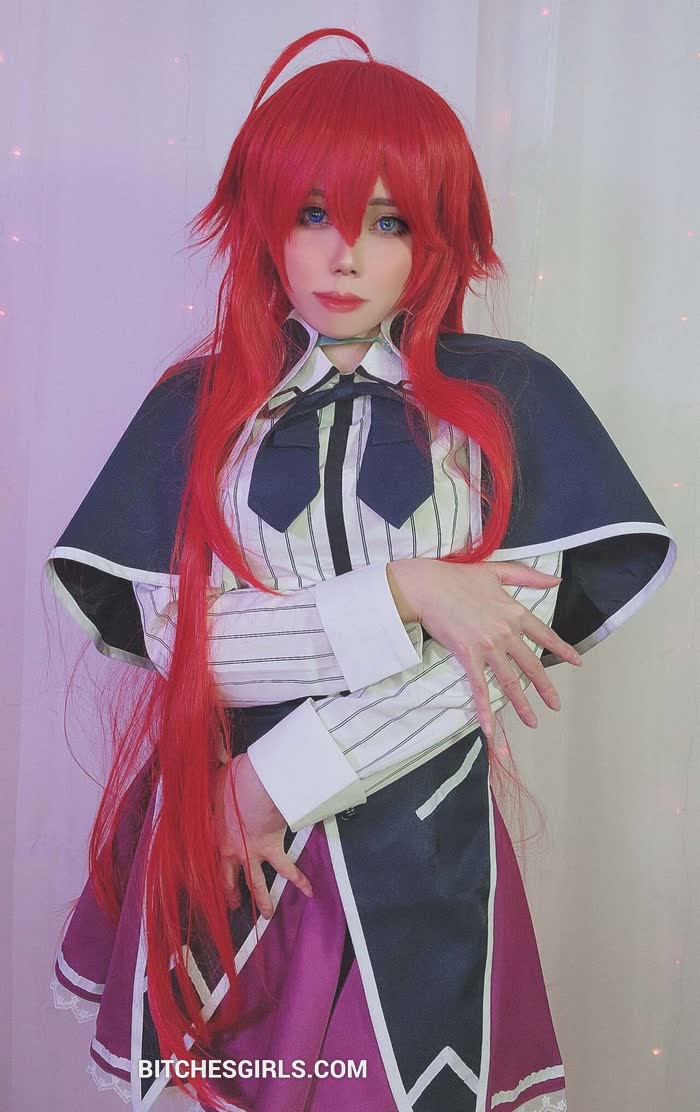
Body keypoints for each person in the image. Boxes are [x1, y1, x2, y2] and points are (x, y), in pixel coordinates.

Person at [45, 26, 677, 1112]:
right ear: (263, 221)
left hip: (411, 835)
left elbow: (483, 672)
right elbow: (187, 646)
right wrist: (405, 592)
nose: (346, 256)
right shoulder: (197, 410)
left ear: (436, 238)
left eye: (388, 222)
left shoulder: (506, 400)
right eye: (313, 214)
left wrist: (275, 782)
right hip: (222, 848)